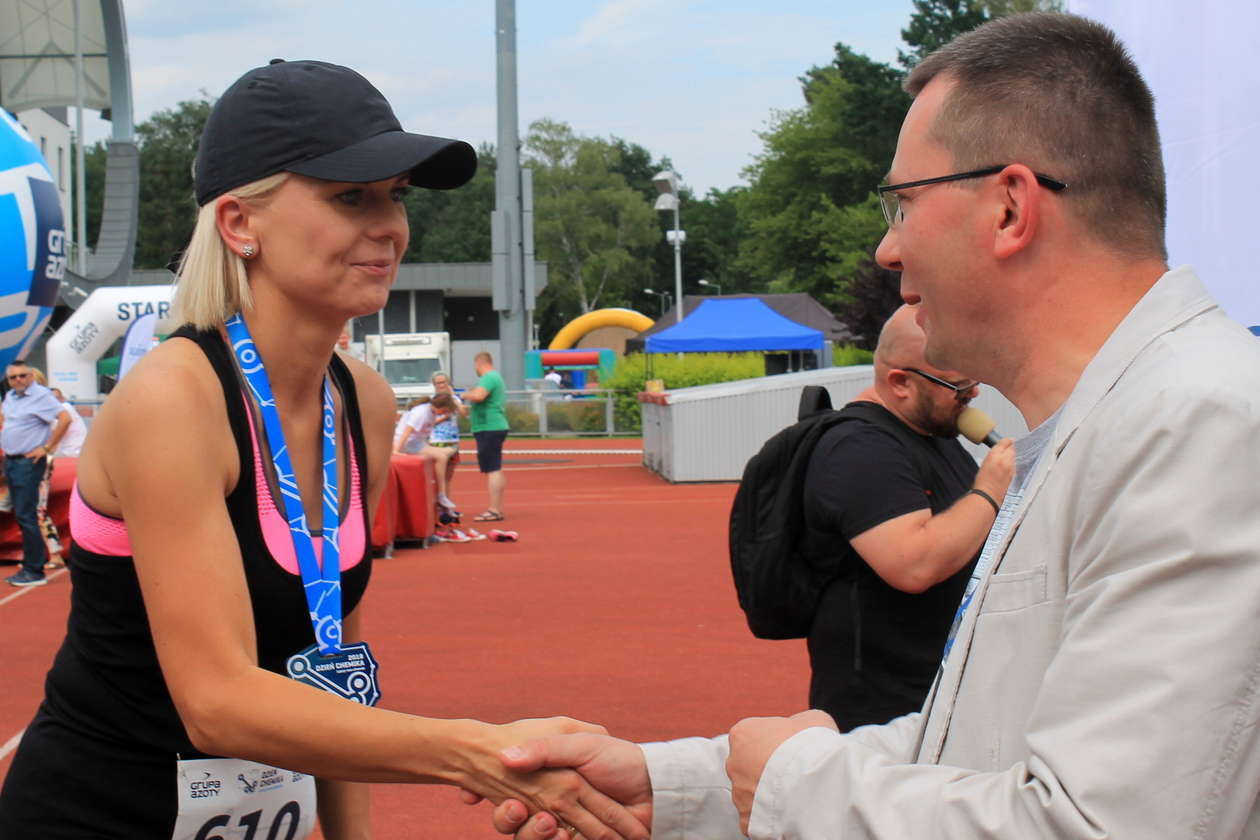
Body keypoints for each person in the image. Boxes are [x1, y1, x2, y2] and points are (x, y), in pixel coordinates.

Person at [481, 12, 1260, 839]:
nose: (889, 253)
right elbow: (971, 746)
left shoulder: (1199, 425)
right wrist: (669, 784)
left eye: (902, 205)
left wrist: (789, 783)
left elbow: (1101, 826)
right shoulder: (1115, 423)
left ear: (1009, 208)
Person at [0, 59, 647, 840]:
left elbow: (336, 662)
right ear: (240, 223)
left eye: (396, 196)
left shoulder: (364, 403)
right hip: (94, 818)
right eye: (351, 196)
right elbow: (218, 703)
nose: (390, 226)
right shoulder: (176, 399)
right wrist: (475, 751)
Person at [802, 304, 1013, 729]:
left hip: (939, 694)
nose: (972, 395)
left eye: (973, 381)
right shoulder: (858, 449)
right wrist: (991, 489)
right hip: (882, 710)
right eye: (957, 385)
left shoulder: (935, 433)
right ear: (900, 383)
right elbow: (913, 564)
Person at [0, 360, 72, 586]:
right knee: (22, 515)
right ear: (9, 380)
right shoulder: (11, 397)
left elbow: (65, 418)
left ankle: (34, 570)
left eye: (23, 375)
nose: (19, 380)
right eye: (14, 377)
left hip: (28, 462)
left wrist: (48, 447)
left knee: (27, 515)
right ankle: (32, 565)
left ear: (30, 376)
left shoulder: (41, 395)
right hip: (11, 461)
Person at [393, 370, 467, 510]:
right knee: (441, 457)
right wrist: (396, 450)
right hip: (408, 444)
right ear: (440, 408)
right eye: (445, 411)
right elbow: (406, 432)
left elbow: (423, 434)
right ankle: (441, 495)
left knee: (448, 451)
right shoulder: (421, 413)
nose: (445, 414)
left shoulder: (432, 412)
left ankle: (438, 489)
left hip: (417, 443)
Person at [462, 351, 509, 522]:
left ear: (479, 363)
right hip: (489, 426)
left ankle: (494, 509)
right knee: (494, 467)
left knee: (493, 468)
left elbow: (479, 396)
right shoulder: (493, 378)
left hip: (490, 427)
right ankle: (496, 508)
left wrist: (465, 394)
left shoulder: (488, 378)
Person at [420, 391, 462, 511]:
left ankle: (445, 506)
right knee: (437, 476)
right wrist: (444, 416)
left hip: (452, 440)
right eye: (438, 383)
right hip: (436, 440)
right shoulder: (429, 408)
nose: (441, 385)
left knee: (447, 477)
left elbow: (464, 412)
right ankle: (437, 504)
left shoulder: (454, 401)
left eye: (444, 382)